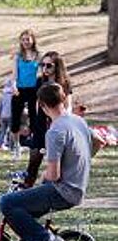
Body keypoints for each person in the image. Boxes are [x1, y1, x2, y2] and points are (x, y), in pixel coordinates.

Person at [0, 83, 92, 241]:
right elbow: (97, 142)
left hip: (63, 191)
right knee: (23, 211)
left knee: (7, 203)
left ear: (41, 106)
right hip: (78, 186)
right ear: (64, 98)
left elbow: (54, 175)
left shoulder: (55, 131)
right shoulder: (78, 121)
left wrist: (44, 175)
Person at [25, 51, 72, 187]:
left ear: (57, 66)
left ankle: (57, 189)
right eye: (42, 65)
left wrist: (62, 123)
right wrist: (32, 124)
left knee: (58, 162)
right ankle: (26, 189)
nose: (45, 69)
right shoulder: (40, 81)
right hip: (40, 127)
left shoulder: (64, 83)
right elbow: (35, 104)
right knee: (34, 160)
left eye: (49, 65)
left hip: (58, 127)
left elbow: (68, 106)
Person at [11, 29, 40, 160]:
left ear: (33, 40)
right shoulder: (18, 56)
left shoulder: (38, 55)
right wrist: (14, 85)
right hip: (20, 89)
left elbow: (41, 72)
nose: (25, 42)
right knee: (15, 118)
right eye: (23, 40)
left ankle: (35, 145)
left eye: (28, 39)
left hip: (33, 90)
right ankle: (16, 146)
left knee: (34, 118)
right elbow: (14, 74)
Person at [0, 77, 13, 149]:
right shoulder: (13, 95)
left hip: (3, 115)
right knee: (11, 131)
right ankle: (10, 145)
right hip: (11, 115)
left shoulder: (2, 96)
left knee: (3, 131)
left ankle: (1, 143)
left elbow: (0, 107)